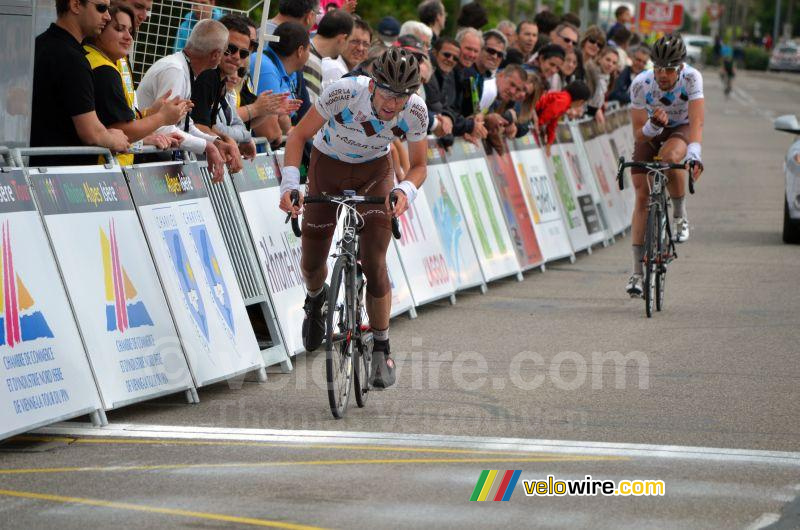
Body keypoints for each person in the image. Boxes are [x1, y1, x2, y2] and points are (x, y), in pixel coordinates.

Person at [279, 49, 429, 389]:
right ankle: (315, 299)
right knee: (312, 261)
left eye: (402, 96)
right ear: (373, 85)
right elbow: (298, 136)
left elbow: (420, 166)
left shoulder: (416, 112)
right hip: (327, 166)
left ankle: (381, 347)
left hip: (374, 173)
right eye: (387, 93)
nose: (393, 103)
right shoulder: (344, 91)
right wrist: (290, 185)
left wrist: (404, 190)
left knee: (375, 261)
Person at [626, 35, 705, 297]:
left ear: (680, 67)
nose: (662, 75)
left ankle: (679, 214)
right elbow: (638, 134)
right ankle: (637, 273)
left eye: (669, 69)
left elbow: (696, 121)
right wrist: (652, 126)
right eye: (658, 68)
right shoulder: (641, 83)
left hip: (680, 128)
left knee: (669, 158)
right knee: (642, 194)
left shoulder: (692, 78)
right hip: (652, 131)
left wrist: (694, 153)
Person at [85, 3, 188, 164]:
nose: (129, 37)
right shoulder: (103, 69)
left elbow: (115, 123)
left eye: (130, 31)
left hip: (111, 165)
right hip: (103, 169)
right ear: (100, 29)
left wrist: (149, 114)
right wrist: (162, 117)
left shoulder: (109, 59)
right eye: (119, 29)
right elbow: (121, 131)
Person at [30, 0, 129, 167]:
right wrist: (115, 139)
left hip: (36, 168)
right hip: (61, 174)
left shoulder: (38, 44)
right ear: (75, 5)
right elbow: (92, 133)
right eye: (101, 8)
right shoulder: (73, 60)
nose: (107, 16)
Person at [137, 19, 235, 181]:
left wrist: (214, 142)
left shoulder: (182, 67)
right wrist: (207, 146)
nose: (225, 57)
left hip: (151, 158)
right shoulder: (175, 70)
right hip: (143, 161)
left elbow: (184, 125)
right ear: (215, 54)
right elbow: (163, 127)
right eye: (226, 52)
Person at [249, 21, 310, 144]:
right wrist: (287, 128)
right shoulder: (265, 67)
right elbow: (269, 133)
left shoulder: (292, 72)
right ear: (300, 51)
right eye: (309, 50)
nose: (309, 55)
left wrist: (285, 124)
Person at [304, 9, 353, 105]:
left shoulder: (308, 53)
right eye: (349, 41)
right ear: (342, 38)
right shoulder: (307, 57)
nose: (347, 46)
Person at [535, 80, 590, 156]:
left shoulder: (565, 99)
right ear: (581, 101)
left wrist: (549, 142)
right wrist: (538, 125)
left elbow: (553, 122)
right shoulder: (564, 101)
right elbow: (549, 112)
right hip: (533, 111)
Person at [322, 17, 372, 88]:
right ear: (343, 40)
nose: (360, 48)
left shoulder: (353, 74)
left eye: (365, 44)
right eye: (355, 41)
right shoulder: (335, 69)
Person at [585, 46, 619, 123]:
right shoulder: (590, 74)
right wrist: (595, 111)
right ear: (600, 59)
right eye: (608, 60)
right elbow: (584, 103)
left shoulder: (608, 79)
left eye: (614, 63)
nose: (610, 64)